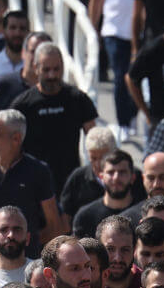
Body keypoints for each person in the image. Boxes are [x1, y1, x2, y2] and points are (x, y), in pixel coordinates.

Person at [0, 109, 62, 256]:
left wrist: (24, 246)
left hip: (26, 263)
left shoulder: (39, 171)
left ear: (16, 138)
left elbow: (54, 225)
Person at [10, 43, 98, 194]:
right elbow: (10, 145)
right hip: (33, 183)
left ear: (63, 67)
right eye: (46, 70)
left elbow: (96, 140)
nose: (52, 75)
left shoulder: (77, 99)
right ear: (36, 67)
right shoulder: (22, 105)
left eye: (56, 69)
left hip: (70, 183)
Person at [90, 0, 144, 136]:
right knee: (120, 77)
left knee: (138, 77)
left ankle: (133, 116)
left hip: (140, 34)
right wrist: (93, 28)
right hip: (113, 31)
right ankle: (122, 122)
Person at [73, 151, 140, 239]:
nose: (116, 177)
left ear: (133, 177)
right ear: (101, 177)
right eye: (110, 172)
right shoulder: (85, 217)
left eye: (122, 172)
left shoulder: (142, 213)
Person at [0, 205, 31, 288]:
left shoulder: (42, 274)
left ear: (27, 238)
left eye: (17, 230)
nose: (11, 235)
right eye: (3, 230)